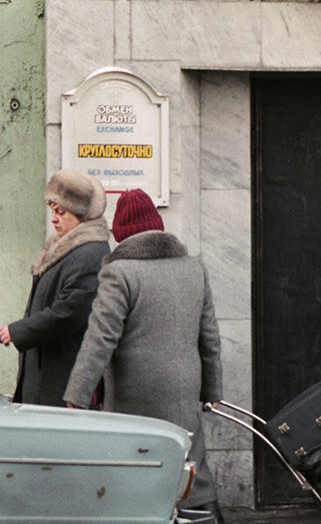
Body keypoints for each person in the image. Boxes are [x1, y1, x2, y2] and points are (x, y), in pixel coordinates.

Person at [63, 189, 225, 523]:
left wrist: (76, 397)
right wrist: (213, 393)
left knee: (140, 470)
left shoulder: (119, 272)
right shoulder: (194, 268)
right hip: (185, 392)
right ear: (158, 224)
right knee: (189, 467)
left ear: (120, 232)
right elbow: (209, 337)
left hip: (137, 396)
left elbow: (99, 339)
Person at [1, 170, 112, 405]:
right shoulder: (66, 249)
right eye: (53, 211)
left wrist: (18, 331)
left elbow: (69, 312)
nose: (53, 219)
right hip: (48, 374)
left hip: (62, 379)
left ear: (80, 215)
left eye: (61, 212)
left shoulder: (90, 253)